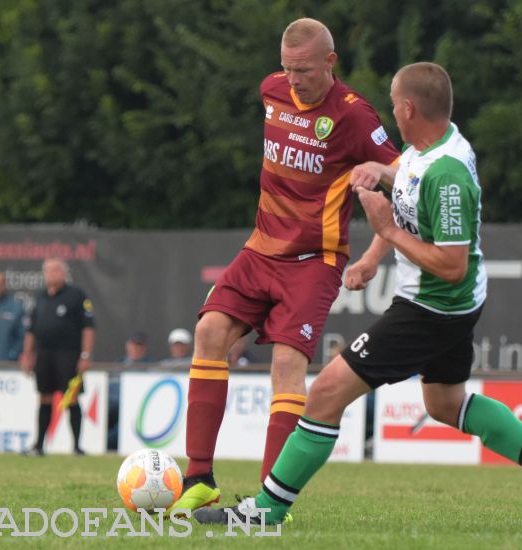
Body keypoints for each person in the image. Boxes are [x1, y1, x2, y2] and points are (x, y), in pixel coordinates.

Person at [194, 62, 522, 530]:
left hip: (432, 307)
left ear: (408, 108)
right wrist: (373, 249)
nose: (390, 114)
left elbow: (451, 262)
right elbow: (405, 207)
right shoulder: (422, 150)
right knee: (444, 403)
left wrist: (384, 231)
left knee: (325, 393)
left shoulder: (447, 175)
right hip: (451, 304)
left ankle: (266, 511)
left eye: (393, 102)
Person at [172, 18, 399, 512]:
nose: (293, 79)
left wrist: (380, 176)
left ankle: (265, 501)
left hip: (314, 261)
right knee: (209, 333)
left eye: (304, 70)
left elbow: (404, 178)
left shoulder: (355, 116)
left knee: (286, 365)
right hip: (259, 249)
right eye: (287, 68)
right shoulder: (271, 90)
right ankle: (198, 479)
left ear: (330, 63)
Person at [20, 258, 95, 456]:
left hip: (68, 354)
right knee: (44, 397)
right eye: (48, 270)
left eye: (56, 270)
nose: (52, 274)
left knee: (71, 398)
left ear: (64, 272)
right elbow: (31, 329)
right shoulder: (40, 296)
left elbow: (88, 327)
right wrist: (27, 354)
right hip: (44, 355)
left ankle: (77, 447)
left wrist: (85, 355)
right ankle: (38, 446)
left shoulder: (76, 295)